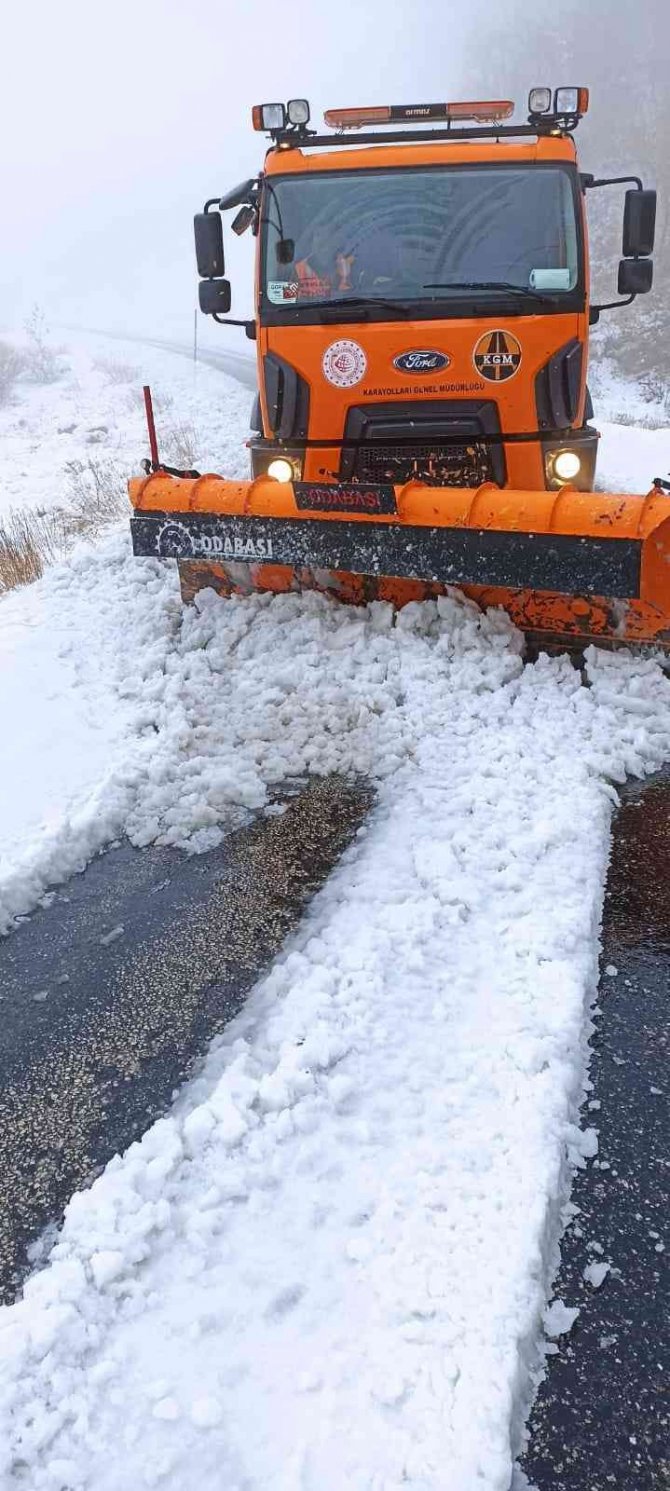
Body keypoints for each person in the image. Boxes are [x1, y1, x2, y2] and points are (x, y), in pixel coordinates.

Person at [295, 223, 355, 299]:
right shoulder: (297, 270)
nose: (320, 240)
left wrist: (345, 277)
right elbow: (284, 302)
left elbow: (356, 301)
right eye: (317, 235)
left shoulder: (351, 265)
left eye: (328, 237)